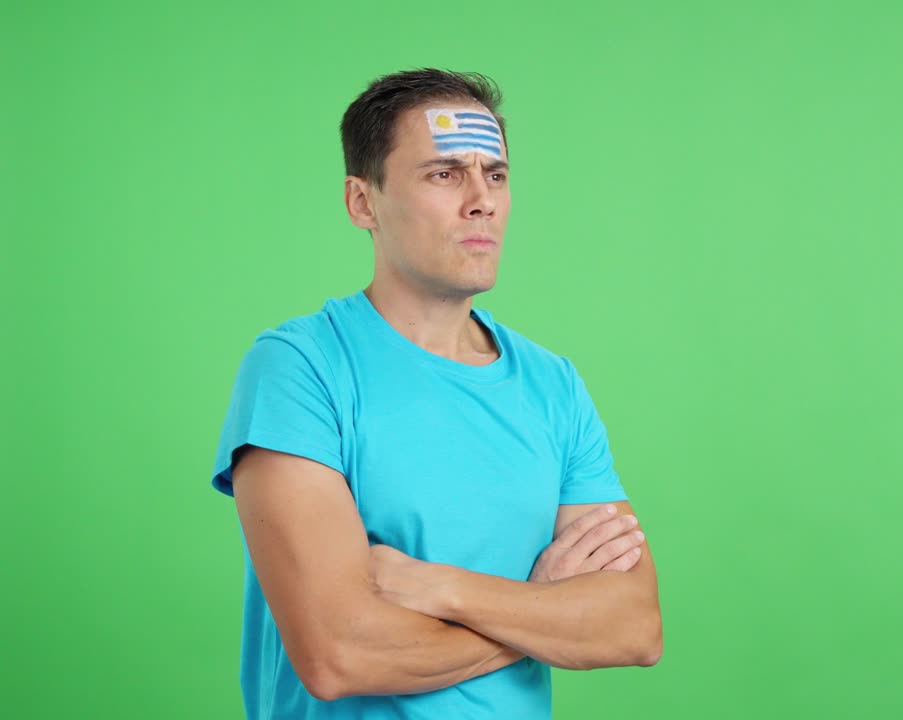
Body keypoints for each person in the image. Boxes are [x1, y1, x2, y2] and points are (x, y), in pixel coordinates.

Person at [208, 67, 662, 719]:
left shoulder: (552, 384)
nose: (481, 200)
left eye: (496, 175)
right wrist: (540, 610)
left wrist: (438, 589)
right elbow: (339, 657)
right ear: (363, 202)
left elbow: (634, 625)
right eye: (445, 174)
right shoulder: (300, 369)